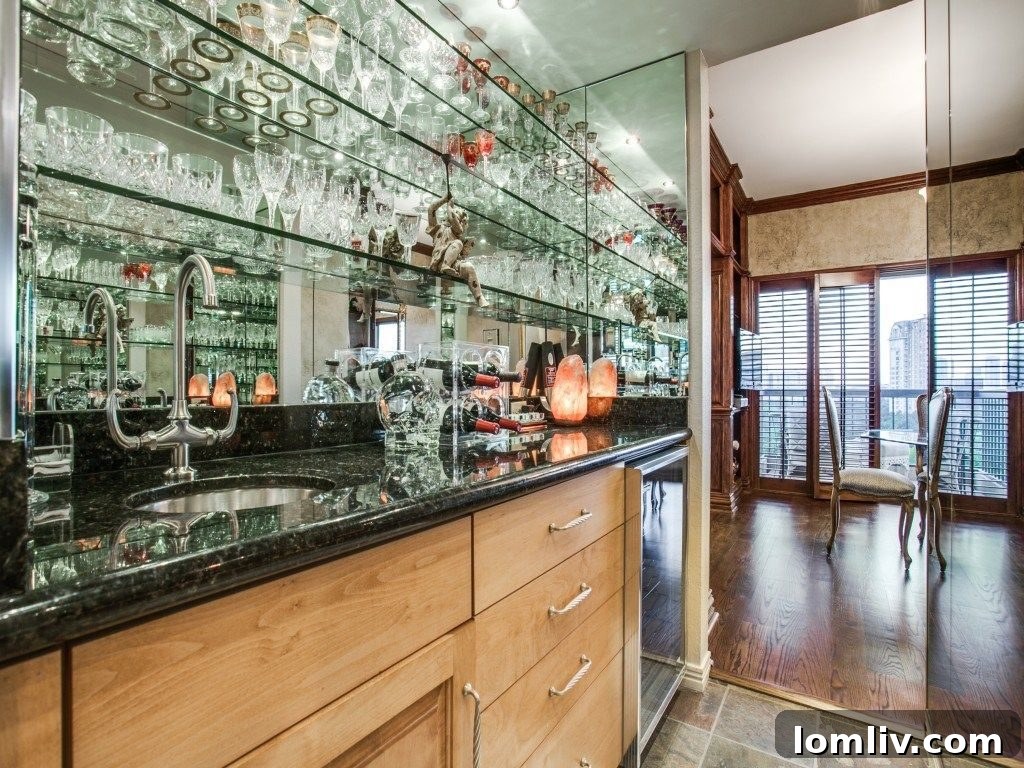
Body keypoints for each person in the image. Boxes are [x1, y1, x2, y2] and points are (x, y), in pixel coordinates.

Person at [427, 193, 489, 307]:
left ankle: (479, 296)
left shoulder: (459, 234)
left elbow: (455, 224)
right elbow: (431, 209)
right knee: (458, 243)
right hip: (438, 263)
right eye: (457, 217)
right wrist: (444, 200)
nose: (458, 221)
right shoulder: (438, 229)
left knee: (469, 267)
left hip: (454, 266)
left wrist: (449, 207)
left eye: (461, 221)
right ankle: (445, 266)